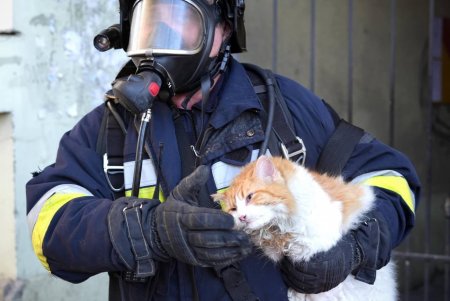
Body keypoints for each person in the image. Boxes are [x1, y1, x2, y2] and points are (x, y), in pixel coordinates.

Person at [26, 0, 421, 300]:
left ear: (223, 29)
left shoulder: (283, 109)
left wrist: (351, 249)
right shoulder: (112, 125)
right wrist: (151, 230)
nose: (162, 36)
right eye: (150, 20)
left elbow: (390, 177)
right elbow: (49, 225)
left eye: (181, 20)